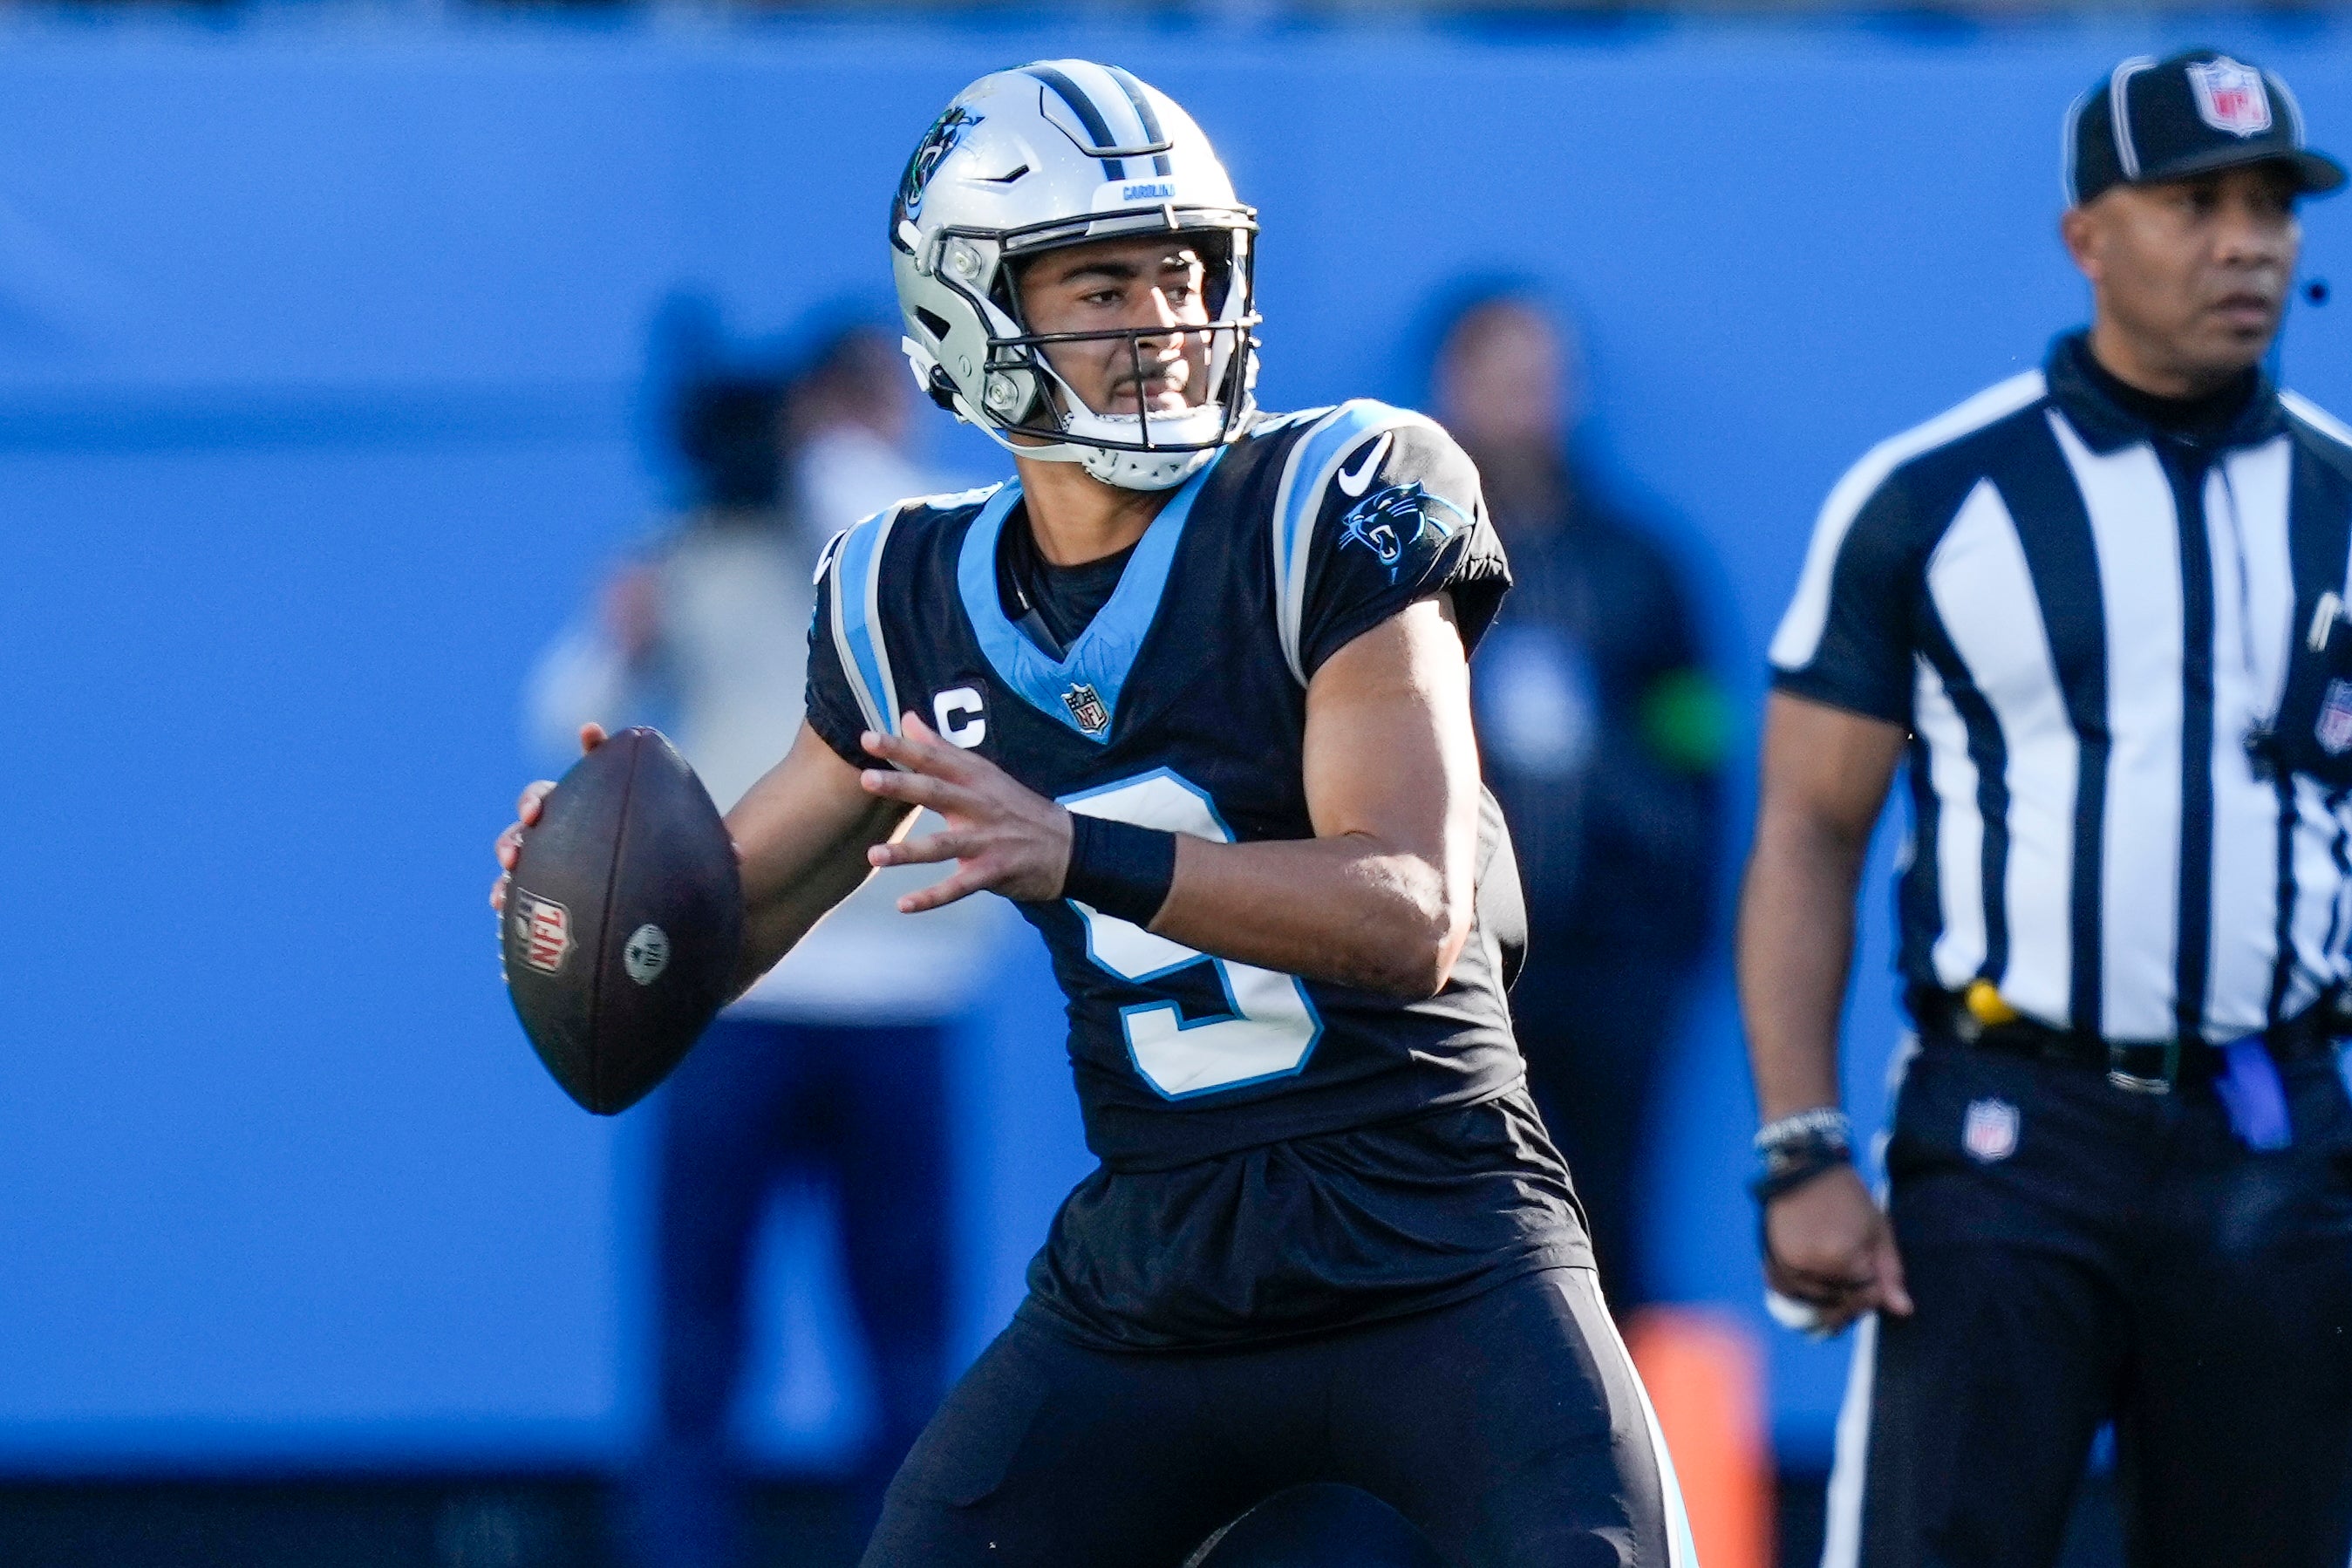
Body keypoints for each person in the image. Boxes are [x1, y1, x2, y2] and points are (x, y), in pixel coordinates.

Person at [497, 60, 1694, 1568]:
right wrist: (588, 908)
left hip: (1437, 1232)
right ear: (970, 312)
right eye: (1104, 282)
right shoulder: (903, 594)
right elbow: (698, 949)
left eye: (1187, 271)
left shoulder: (1345, 489)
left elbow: (1405, 910)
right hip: (1155, 1266)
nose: (1167, 321)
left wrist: (1073, 851)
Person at [1742, 48, 2352, 1568]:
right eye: (2194, 201)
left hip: (2279, 1125)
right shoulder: (1930, 497)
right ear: (2086, 234)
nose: (2246, 242)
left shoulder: (2341, 497)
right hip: (2012, 1131)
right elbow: (1811, 829)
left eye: (2271, 204)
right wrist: (1800, 1143)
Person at [526, 328, 999, 1568]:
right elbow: (561, 708)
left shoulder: (928, 541)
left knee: (905, 1342)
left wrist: (827, 458)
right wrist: (622, 622)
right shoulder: (698, 550)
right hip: (729, 1004)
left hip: (899, 998)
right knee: (694, 1343)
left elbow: (897, 547)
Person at [1430, 292, 1728, 1313]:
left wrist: (1674, 910)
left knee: (1610, 1221)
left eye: (1540, 377)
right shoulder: (1393, 566)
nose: (1523, 402)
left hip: (1614, 959)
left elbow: (1699, 744)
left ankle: (1621, 1466)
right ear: (1451, 386)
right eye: (1498, 376)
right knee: (1461, 1220)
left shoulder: (1640, 566)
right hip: (1450, 964)